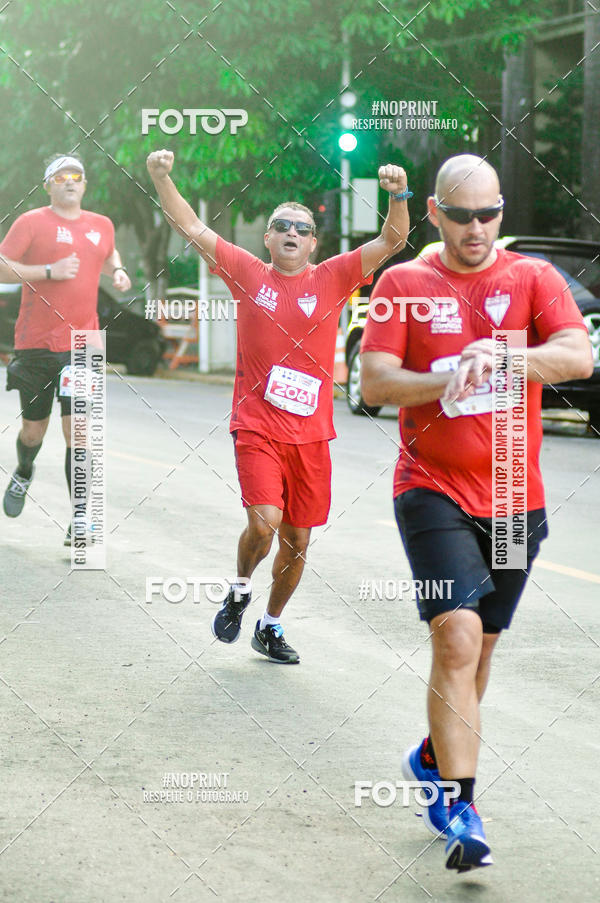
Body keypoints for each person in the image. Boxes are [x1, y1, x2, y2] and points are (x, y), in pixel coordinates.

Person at [360, 154, 592, 872]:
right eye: (460, 215)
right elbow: (373, 381)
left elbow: (578, 355)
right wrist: (445, 374)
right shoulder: (403, 283)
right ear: (435, 212)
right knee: (456, 638)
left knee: (482, 648)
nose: (475, 228)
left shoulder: (531, 278)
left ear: (501, 212)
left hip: (517, 496)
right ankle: (462, 804)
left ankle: (432, 754)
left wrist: (504, 357)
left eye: (488, 213)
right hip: (430, 487)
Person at [147, 149, 410, 663]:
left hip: (312, 435)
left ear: (314, 242)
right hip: (257, 427)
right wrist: (161, 177)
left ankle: (269, 625)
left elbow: (393, 240)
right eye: (281, 225)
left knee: (297, 544)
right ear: (267, 238)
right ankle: (240, 589)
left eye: (302, 227)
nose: (291, 232)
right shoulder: (247, 273)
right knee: (263, 524)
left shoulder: (333, 277)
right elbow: (192, 225)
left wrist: (397, 194)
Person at [0, 153, 131, 543]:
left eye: (77, 175)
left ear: (84, 184)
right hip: (36, 345)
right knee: (33, 431)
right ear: (48, 185)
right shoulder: (31, 223)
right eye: (61, 177)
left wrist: (119, 270)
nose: (70, 181)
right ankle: (24, 471)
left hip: (84, 344)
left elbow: (106, 255)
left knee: (79, 433)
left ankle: (81, 517)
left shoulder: (101, 225)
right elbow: (3, 263)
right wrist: (47, 273)